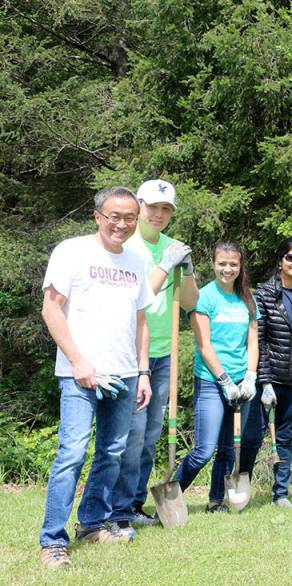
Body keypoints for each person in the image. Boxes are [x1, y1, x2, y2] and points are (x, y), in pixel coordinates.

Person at [38, 186, 154, 568]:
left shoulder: (137, 260)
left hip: (123, 372)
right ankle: (53, 540)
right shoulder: (71, 251)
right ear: (97, 216)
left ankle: (91, 523)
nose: (121, 224)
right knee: (72, 453)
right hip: (79, 374)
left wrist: (143, 372)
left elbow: (140, 321)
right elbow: (51, 310)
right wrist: (78, 361)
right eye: (114, 216)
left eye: (129, 218)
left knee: (112, 453)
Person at [109, 179, 199, 536]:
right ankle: (115, 507)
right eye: (153, 207)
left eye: (166, 209)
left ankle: (132, 504)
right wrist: (165, 264)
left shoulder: (171, 247)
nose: (159, 214)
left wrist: (187, 270)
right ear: (139, 206)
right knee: (131, 435)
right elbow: (141, 296)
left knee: (150, 435)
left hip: (164, 352)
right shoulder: (126, 246)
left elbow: (191, 303)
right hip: (131, 353)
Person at [237, 237, 292, 508]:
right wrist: (264, 382)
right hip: (269, 378)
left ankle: (281, 494)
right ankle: (241, 489)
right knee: (253, 436)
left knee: (285, 436)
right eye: (291, 257)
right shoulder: (263, 294)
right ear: (280, 260)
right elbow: (259, 340)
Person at [174, 240, 259, 512]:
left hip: (241, 383)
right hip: (212, 381)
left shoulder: (247, 298)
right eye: (222, 263)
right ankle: (173, 497)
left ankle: (216, 501)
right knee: (204, 450)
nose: (227, 269)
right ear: (213, 264)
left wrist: (250, 377)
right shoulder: (204, 297)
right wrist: (224, 380)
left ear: (240, 265)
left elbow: (253, 342)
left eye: (233, 264)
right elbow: (204, 345)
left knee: (227, 448)